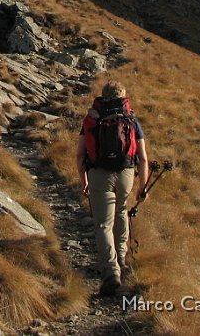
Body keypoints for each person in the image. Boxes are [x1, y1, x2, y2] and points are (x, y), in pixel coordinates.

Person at [76, 80, 149, 296]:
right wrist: (142, 185)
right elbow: (143, 158)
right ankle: (122, 258)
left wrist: (84, 180)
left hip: (99, 173)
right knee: (121, 211)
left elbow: (80, 154)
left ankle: (110, 271)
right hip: (125, 173)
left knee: (102, 225)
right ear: (123, 98)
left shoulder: (93, 119)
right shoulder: (131, 120)